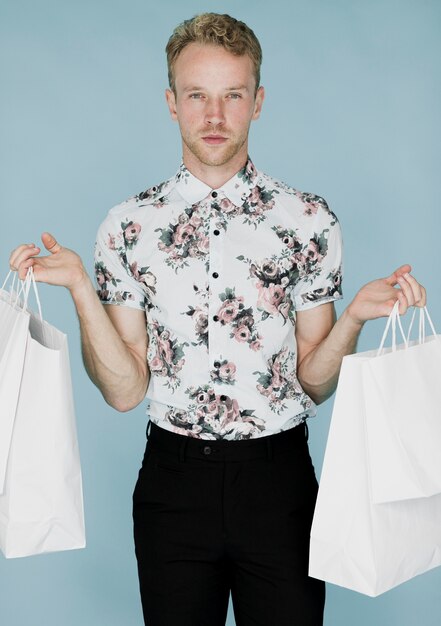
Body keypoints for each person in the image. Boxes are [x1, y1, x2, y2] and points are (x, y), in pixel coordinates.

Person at [9, 12, 425, 626]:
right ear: (171, 102)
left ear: (257, 103)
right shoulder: (128, 226)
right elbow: (125, 392)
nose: (214, 116)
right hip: (173, 486)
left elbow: (316, 381)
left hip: (279, 484)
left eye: (232, 96)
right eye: (197, 96)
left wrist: (355, 318)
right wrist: (78, 288)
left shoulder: (308, 220)